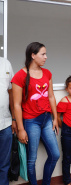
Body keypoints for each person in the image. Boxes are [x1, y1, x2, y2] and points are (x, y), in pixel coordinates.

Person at [11, 42, 60, 185]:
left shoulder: (47, 73)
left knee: (55, 155)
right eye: (43, 54)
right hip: (31, 121)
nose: (46, 57)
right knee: (31, 160)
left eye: (46, 54)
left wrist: (55, 118)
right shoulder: (20, 76)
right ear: (33, 55)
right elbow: (16, 104)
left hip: (46, 119)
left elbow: (51, 97)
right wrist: (21, 129)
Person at [0, 57, 17, 185]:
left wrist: (14, 118)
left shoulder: (6, 63)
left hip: (5, 123)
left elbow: (11, 92)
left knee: (4, 164)